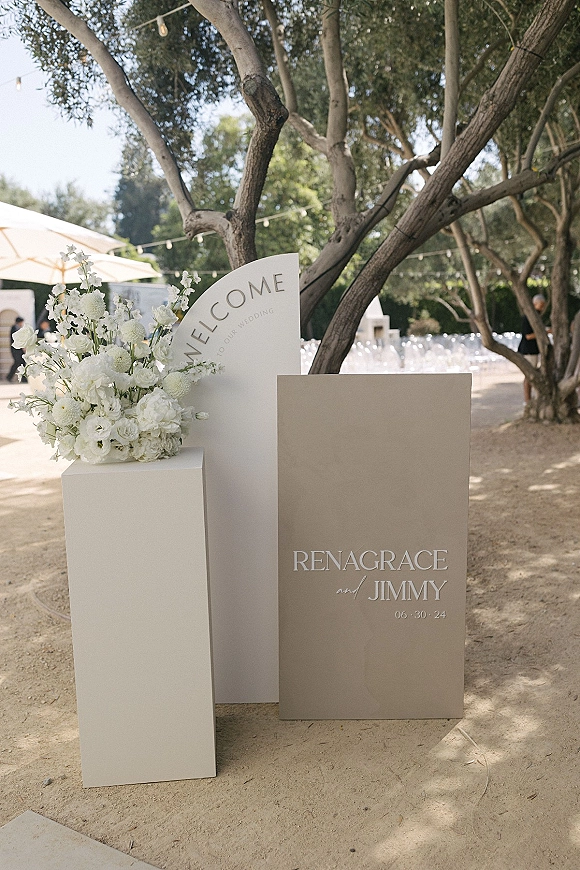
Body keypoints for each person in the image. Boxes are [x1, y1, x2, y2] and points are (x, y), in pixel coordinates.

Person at [517, 294, 548, 404]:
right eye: (541, 305)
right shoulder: (527, 318)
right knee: (529, 375)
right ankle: (527, 400)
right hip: (528, 350)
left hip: (535, 350)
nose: (542, 308)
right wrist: (543, 332)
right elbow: (528, 336)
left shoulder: (537, 317)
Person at [7, 316, 27, 383]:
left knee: (21, 363)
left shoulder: (18, 328)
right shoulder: (14, 328)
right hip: (16, 350)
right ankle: (9, 376)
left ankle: (23, 378)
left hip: (19, 349)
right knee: (17, 362)